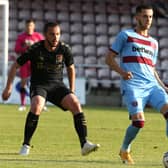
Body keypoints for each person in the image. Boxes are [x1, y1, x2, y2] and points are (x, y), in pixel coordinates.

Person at [2, 22, 100, 156]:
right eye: (52, 34)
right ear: (45, 35)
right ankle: (26, 145)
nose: (55, 37)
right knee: (37, 106)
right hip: (39, 85)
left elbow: (71, 68)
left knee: (76, 104)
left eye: (58, 34)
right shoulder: (36, 48)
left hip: (57, 86)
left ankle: (84, 144)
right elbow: (15, 66)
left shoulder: (64, 48)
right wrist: (8, 87)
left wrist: (71, 90)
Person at [105, 4, 168, 165]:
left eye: (151, 17)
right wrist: (122, 73)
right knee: (139, 122)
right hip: (133, 85)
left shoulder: (154, 43)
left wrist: (162, 85)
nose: (148, 20)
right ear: (137, 17)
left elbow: (151, 68)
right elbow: (109, 59)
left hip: (152, 85)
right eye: (145, 16)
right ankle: (125, 150)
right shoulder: (126, 36)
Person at [15, 19, 45, 111]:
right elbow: (16, 49)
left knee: (39, 84)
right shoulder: (21, 37)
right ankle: (23, 104)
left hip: (36, 62)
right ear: (25, 26)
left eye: (31, 25)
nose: (29, 27)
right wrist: (25, 46)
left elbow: (44, 48)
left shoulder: (38, 36)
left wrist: (34, 44)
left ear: (33, 26)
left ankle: (41, 104)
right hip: (25, 62)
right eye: (28, 25)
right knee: (23, 83)